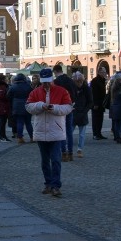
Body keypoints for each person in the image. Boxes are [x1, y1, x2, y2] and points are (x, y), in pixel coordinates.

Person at [26, 68, 73, 197]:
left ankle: (56, 185)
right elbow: (28, 106)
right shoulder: (35, 92)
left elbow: (68, 107)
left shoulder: (62, 91)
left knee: (56, 159)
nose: (46, 84)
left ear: (52, 79)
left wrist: (54, 108)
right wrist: (41, 106)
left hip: (56, 130)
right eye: (44, 82)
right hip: (41, 130)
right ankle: (48, 183)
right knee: (45, 160)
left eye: (48, 81)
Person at [52, 64, 75, 160]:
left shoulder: (56, 82)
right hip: (69, 107)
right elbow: (74, 94)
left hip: (60, 108)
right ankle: (70, 153)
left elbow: (55, 96)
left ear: (55, 72)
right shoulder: (70, 80)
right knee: (69, 131)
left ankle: (63, 153)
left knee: (61, 130)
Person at [69, 71, 92, 157]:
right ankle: (68, 148)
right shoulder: (72, 89)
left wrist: (85, 111)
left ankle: (80, 149)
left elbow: (90, 102)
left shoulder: (87, 89)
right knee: (69, 132)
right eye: (77, 81)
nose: (79, 83)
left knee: (82, 134)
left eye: (81, 81)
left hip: (82, 113)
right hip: (73, 112)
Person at [8, 73, 33, 143]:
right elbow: (32, 95)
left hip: (17, 107)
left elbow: (8, 96)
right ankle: (32, 137)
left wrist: (13, 101)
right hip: (27, 106)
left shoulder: (13, 87)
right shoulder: (28, 86)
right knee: (28, 123)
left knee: (19, 122)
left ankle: (20, 138)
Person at [90, 67, 108, 140]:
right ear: (99, 72)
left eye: (105, 72)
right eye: (103, 72)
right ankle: (95, 134)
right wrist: (95, 104)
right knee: (95, 119)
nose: (105, 73)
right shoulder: (94, 81)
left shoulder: (103, 80)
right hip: (96, 103)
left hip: (101, 103)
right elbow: (94, 93)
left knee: (100, 119)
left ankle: (99, 133)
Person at [0, 75, 12, 141]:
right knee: (3, 122)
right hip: (3, 106)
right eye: (6, 79)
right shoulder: (2, 87)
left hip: (2, 105)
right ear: (3, 80)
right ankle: (2, 136)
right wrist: (8, 97)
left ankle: (3, 136)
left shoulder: (1, 86)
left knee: (3, 121)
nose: (7, 80)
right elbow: (1, 96)